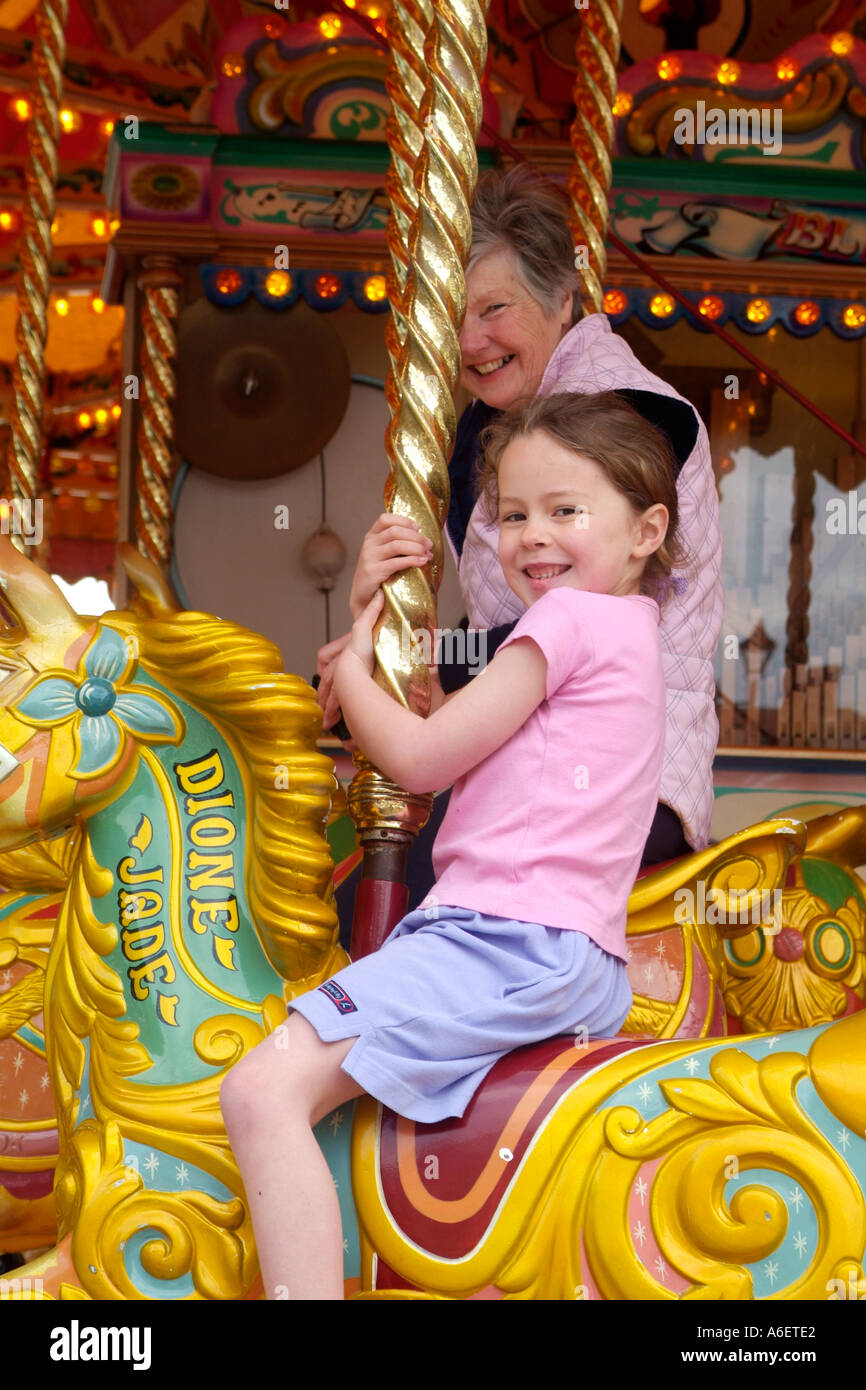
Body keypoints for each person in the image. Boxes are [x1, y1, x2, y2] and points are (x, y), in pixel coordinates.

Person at [221, 390, 682, 1300]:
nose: (532, 536)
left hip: (500, 941)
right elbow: (464, 738)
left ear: (646, 530)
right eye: (513, 514)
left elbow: (420, 760)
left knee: (259, 1092)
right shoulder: (631, 634)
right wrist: (374, 625)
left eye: (565, 510)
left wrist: (349, 660)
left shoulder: (570, 622)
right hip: (565, 952)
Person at [316, 167, 722, 937]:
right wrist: (382, 627)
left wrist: (418, 666)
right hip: (525, 748)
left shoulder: (615, 414)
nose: (471, 341)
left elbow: (575, 622)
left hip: (612, 768)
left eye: (495, 309)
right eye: (453, 315)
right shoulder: (483, 429)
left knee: (378, 903)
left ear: (563, 299)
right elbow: (496, 631)